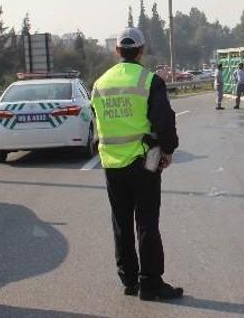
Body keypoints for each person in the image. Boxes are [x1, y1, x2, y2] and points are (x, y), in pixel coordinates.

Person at [90, 28, 183, 302]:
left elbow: (95, 123)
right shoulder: (149, 81)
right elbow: (164, 121)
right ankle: (150, 283)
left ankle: (129, 280)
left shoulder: (99, 84)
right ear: (141, 51)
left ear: (117, 51)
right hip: (143, 164)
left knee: (121, 222)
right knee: (146, 223)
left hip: (111, 165)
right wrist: (167, 150)